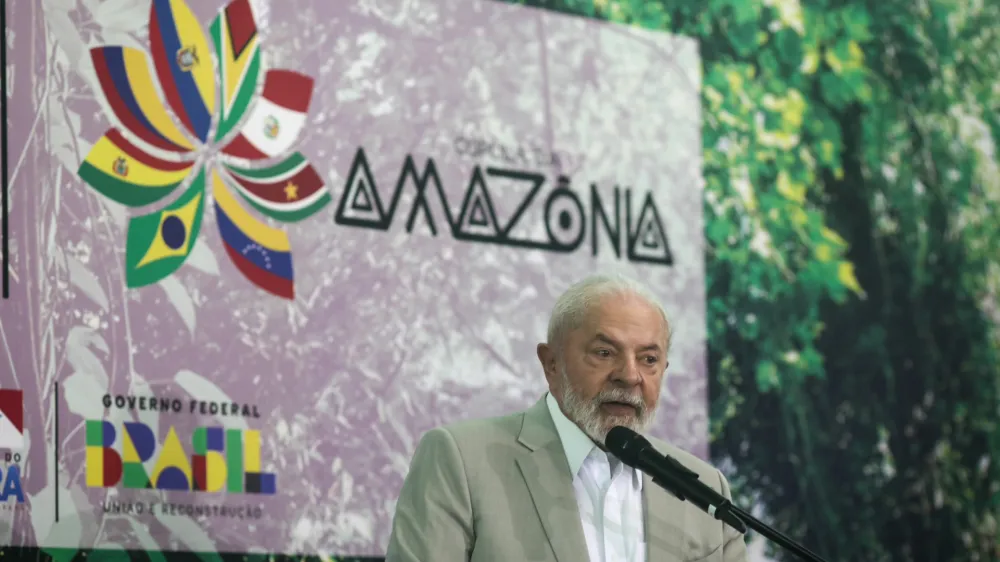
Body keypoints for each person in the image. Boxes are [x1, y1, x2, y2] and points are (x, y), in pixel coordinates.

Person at [385, 274, 748, 562]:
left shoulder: (706, 491)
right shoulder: (461, 461)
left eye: (649, 360)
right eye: (605, 353)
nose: (630, 375)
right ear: (551, 363)